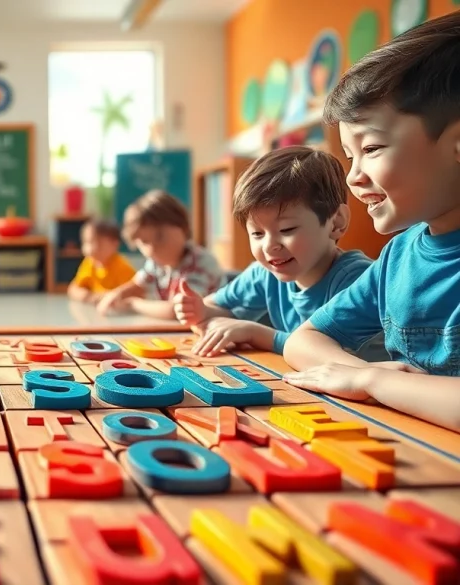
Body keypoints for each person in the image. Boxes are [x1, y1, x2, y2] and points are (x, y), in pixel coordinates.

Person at [282, 12, 460, 432]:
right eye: (349, 155)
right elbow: (304, 340)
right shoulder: (399, 256)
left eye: (373, 147)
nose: (353, 176)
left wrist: (372, 379)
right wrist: (364, 379)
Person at [174, 146, 374, 357]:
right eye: (257, 234)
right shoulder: (266, 272)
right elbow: (215, 307)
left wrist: (254, 333)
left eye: (286, 230)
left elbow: (335, 357)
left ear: (336, 223)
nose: (269, 246)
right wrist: (200, 311)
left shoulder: (359, 281)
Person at [97, 190, 224, 319]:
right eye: (145, 242)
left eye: (160, 237)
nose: (152, 249)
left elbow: (176, 311)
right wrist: (117, 294)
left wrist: (133, 304)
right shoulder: (156, 264)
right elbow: (138, 285)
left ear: (183, 227)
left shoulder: (201, 262)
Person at [67, 217, 136, 304]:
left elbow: (134, 292)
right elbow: (73, 288)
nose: (90, 249)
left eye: (98, 243)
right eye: (86, 242)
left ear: (115, 244)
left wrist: (108, 296)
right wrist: (87, 295)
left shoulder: (122, 267)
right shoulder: (89, 263)